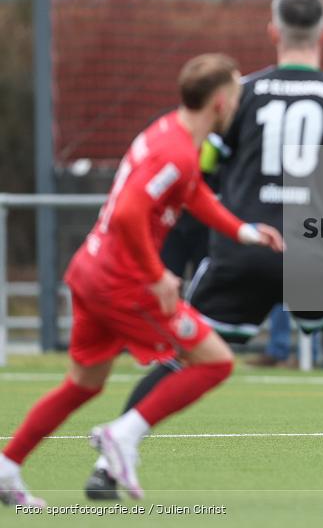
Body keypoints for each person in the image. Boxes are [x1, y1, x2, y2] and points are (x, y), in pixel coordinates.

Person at [85, 0, 323, 499]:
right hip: (313, 255)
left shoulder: (240, 93)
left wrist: (173, 262)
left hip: (242, 249)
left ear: (272, 32)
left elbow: (195, 179)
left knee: (186, 353)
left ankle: (109, 463)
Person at [0, 54, 285, 508]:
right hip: (122, 282)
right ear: (218, 101)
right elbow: (132, 211)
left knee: (84, 383)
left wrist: (244, 231)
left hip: (91, 271)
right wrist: (157, 275)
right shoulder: (175, 151)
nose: (238, 104)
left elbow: (193, 194)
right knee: (215, 361)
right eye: (235, 94)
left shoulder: (172, 133)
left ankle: (7, 465)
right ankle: (122, 435)